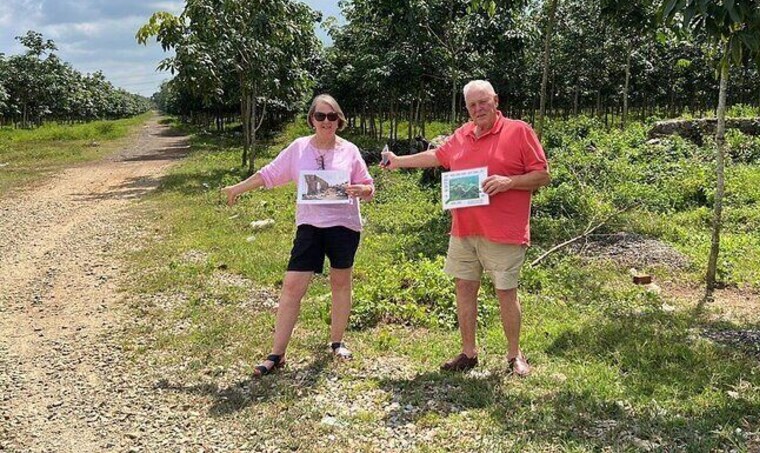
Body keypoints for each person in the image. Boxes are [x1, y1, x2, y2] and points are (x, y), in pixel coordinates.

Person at [383, 80, 549, 376]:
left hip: (504, 231)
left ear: (496, 101)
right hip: (464, 230)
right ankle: (468, 353)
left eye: (483, 102)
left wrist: (509, 182)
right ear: (467, 109)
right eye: (472, 105)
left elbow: (542, 175)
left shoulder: (519, 130)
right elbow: (437, 156)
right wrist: (398, 162)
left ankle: (514, 355)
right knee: (463, 288)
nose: (478, 109)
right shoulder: (462, 134)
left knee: (505, 292)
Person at [222, 94, 374, 376]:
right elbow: (269, 174)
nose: (326, 122)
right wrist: (237, 189)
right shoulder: (298, 148)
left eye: (332, 116)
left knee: (341, 282)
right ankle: (276, 354)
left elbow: (367, 185)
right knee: (292, 286)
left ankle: (337, 342)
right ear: (311, 119)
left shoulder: (350, 150)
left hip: (344, 226)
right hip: (310, 227)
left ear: (339, 120)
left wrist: (363, 191)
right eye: (320, 116)